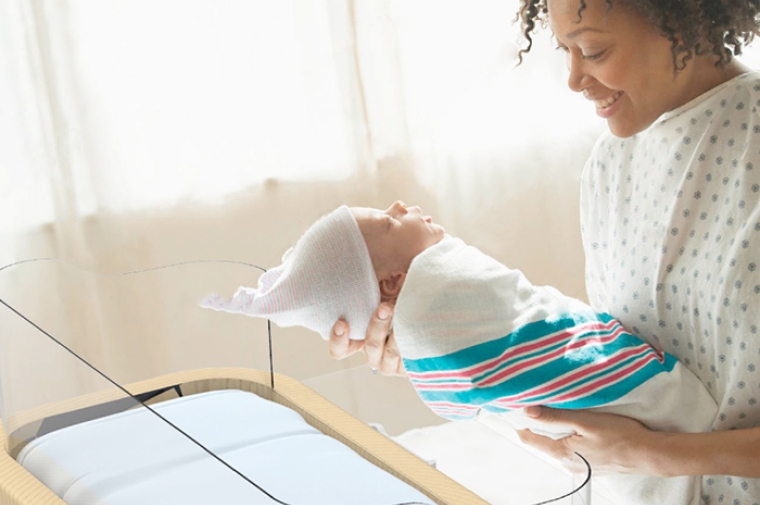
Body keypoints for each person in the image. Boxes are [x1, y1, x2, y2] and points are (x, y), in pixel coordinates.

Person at [330, 1, 760, 503]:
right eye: (565, 51)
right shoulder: (611, 166)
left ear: (683, 19)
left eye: (594, 50)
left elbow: (643, 442)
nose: (575, 79)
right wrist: (452, 353)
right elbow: (624, 358)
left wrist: (653, 454)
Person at [202, 201, 717, 503]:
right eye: (386, 221)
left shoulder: (437, 314)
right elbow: (459, 337)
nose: (402, 206)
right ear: (395, 280)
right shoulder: (433, 309)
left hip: (659, 435)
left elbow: (524, 321)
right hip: (661, 415)